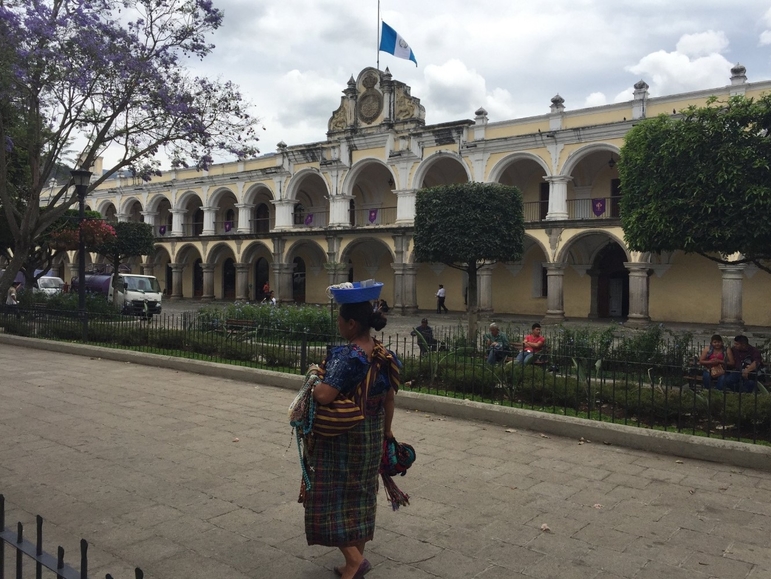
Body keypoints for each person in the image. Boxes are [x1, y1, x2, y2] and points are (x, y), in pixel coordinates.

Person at [304, 300, 400, 579]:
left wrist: (313, 375)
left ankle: (355, 561)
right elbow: (389, 398)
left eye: (339, 320)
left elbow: (323, 395)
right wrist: (387, 432)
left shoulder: (349, 356)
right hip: (372, 432)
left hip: (343, 436)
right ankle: (351, 563)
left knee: (328, 496)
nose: (337, 324)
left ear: (352, 324)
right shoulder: (383, 354)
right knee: (360, 495)